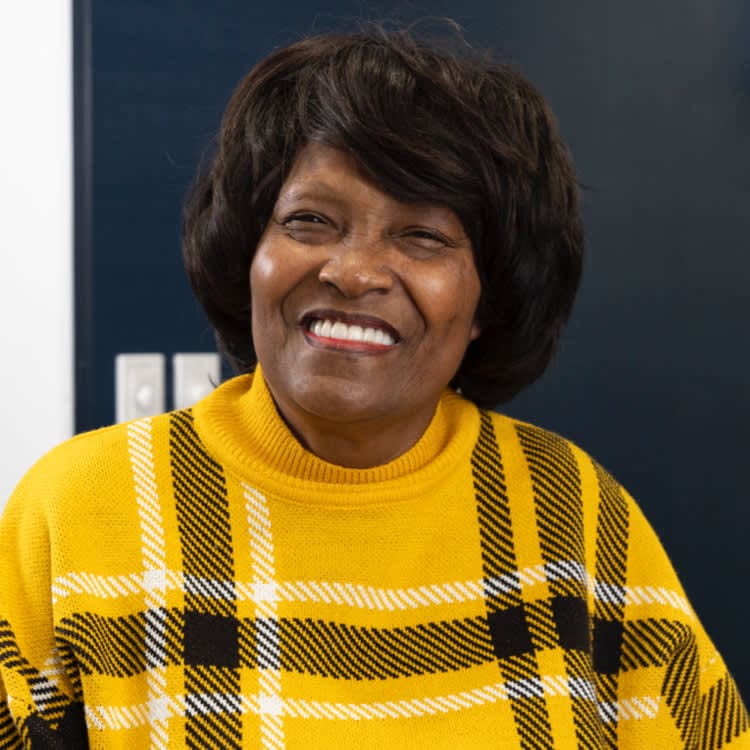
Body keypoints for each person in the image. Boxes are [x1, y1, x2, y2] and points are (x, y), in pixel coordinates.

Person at [1, 23, 747, 750]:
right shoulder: (77, 512)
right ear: (248, 254)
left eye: (421, 236)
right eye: (310, 220)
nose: (353, 271)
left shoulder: (576, 516)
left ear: (489, 299)